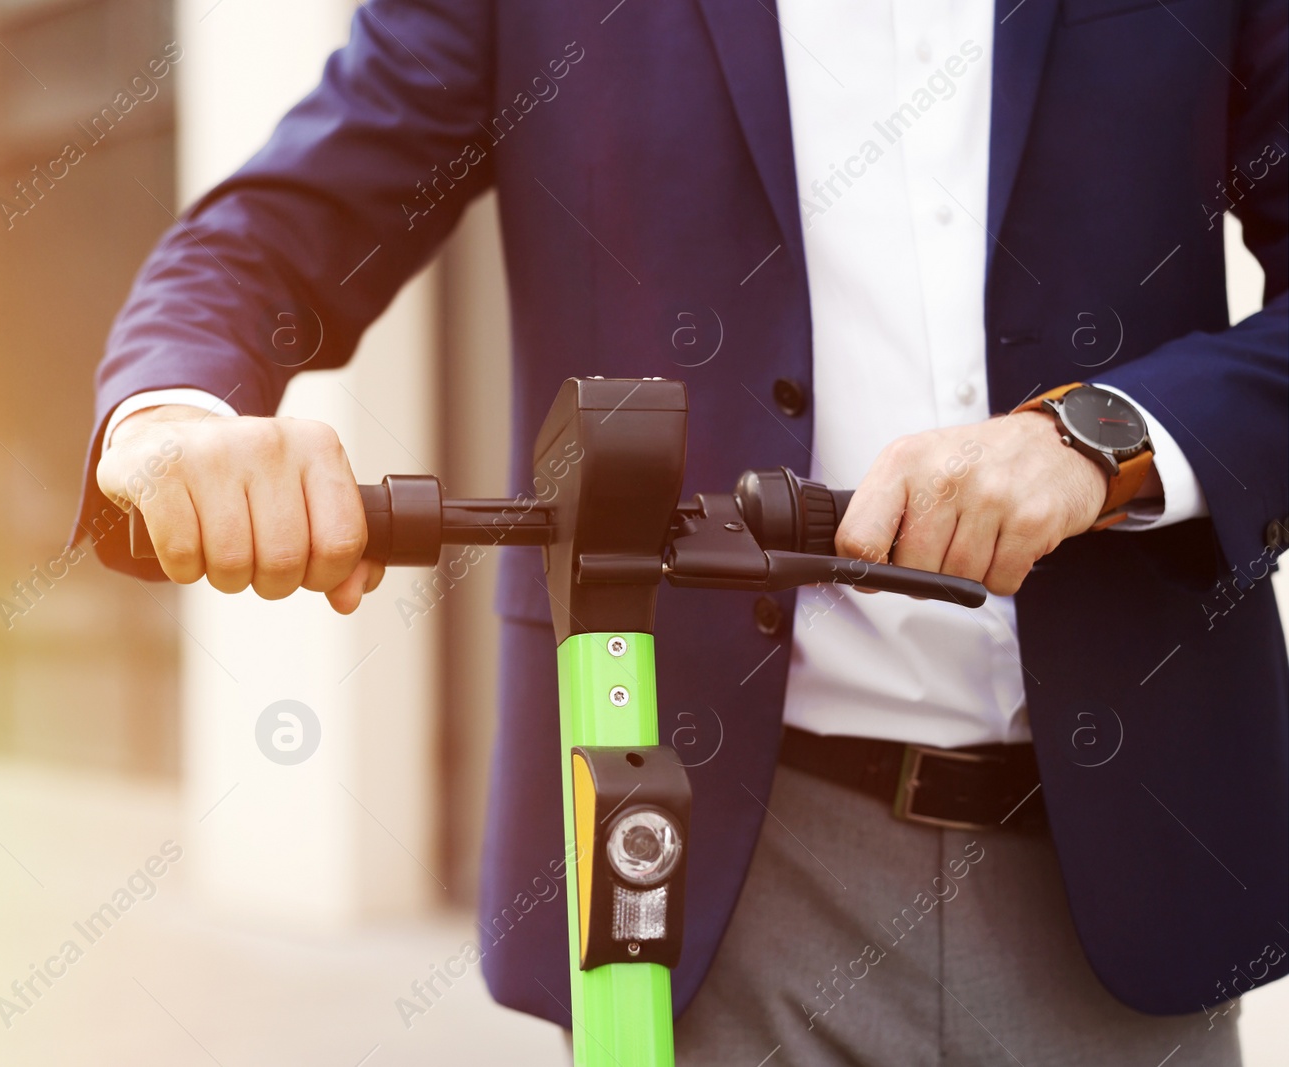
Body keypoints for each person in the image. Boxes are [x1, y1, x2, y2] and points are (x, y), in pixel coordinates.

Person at [77, 2, 1288, 1063]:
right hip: (711, 867)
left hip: (1124, 855)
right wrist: (172, 410)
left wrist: (1102, 438)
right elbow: (279, 229)